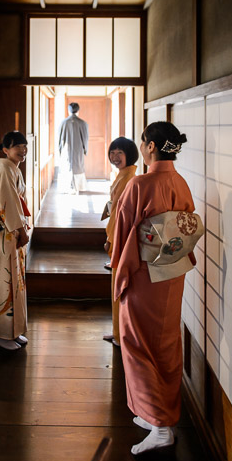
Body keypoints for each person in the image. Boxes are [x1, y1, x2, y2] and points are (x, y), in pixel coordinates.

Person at [111, 121, 199, 455]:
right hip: (172, 273)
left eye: (144, 142)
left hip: (144, 275)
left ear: (150, 147)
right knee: (165, 341)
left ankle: (161, 426)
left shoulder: (140, 184)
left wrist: (121, 272)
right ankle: (155, 414)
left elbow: (123, 232)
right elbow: (187, 227)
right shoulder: (181, 182)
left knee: (138, 344)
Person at [0, 131, 30, 351]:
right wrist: (21, 229)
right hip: (6, 234)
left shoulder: (11, 169)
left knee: (15, 281)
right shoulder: (5, 170)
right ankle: (2, 335)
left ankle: (14, 331)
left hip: (10, 233)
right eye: (17, 146)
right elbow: (9, 203)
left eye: (24, 146)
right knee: (5, 281)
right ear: (5, 149)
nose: (22, 150)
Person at [102, 137, 139, 347]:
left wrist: (110, 238)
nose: (115, 157)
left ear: (130, 155)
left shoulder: (129, 179)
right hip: (119, 235)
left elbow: (119, 214)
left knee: (120, 288)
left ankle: (121, 334)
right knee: (117, 287)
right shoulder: (124, 176)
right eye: (112, 152)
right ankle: (117, 332)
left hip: (121, 237)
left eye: (120, 153)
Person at [58, 102, 89, 194]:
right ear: (78, 111)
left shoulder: (63, 122)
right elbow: (85, 138)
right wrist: (85, 149)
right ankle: (78, 187)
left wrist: (60, 150)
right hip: (78, 149)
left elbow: (59, 138)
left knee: (67, 167)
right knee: (77, 167)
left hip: (65, 150)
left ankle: (68, 188)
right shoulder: (83, 123)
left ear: (68, 111)